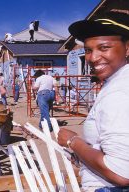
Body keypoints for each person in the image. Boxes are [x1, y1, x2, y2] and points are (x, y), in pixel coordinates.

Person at [58, 10, 129, 192]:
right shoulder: (117, 82)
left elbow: (120, 173)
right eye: (88, 50)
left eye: (104, 48)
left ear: (127, 48)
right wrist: (83, 154)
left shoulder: (119, 92)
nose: (93, 58)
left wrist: (73, 141)